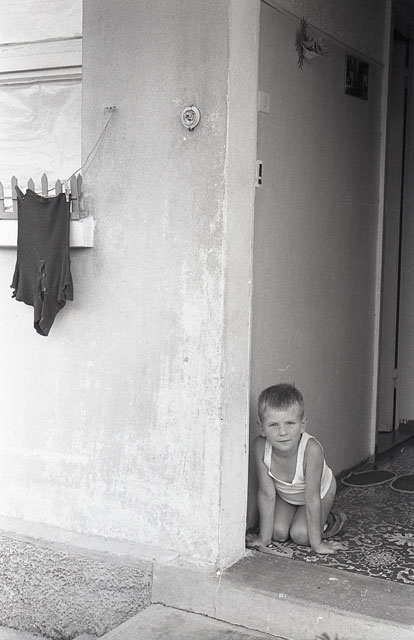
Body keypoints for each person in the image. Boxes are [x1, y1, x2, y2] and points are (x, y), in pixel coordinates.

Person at [246, 383, 346, 555]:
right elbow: (267, 493)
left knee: (301, 535)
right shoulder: (260, 447)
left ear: (302, 424)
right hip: (288, 496)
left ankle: (329, 519)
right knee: (278, 533)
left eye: (290, 423)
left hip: (319, 493)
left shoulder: (311, 450)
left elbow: (312, 498)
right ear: (262, 428)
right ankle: (295, 515)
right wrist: (264, 538)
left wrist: (317, 544)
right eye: (273, 425)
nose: (282, 432)